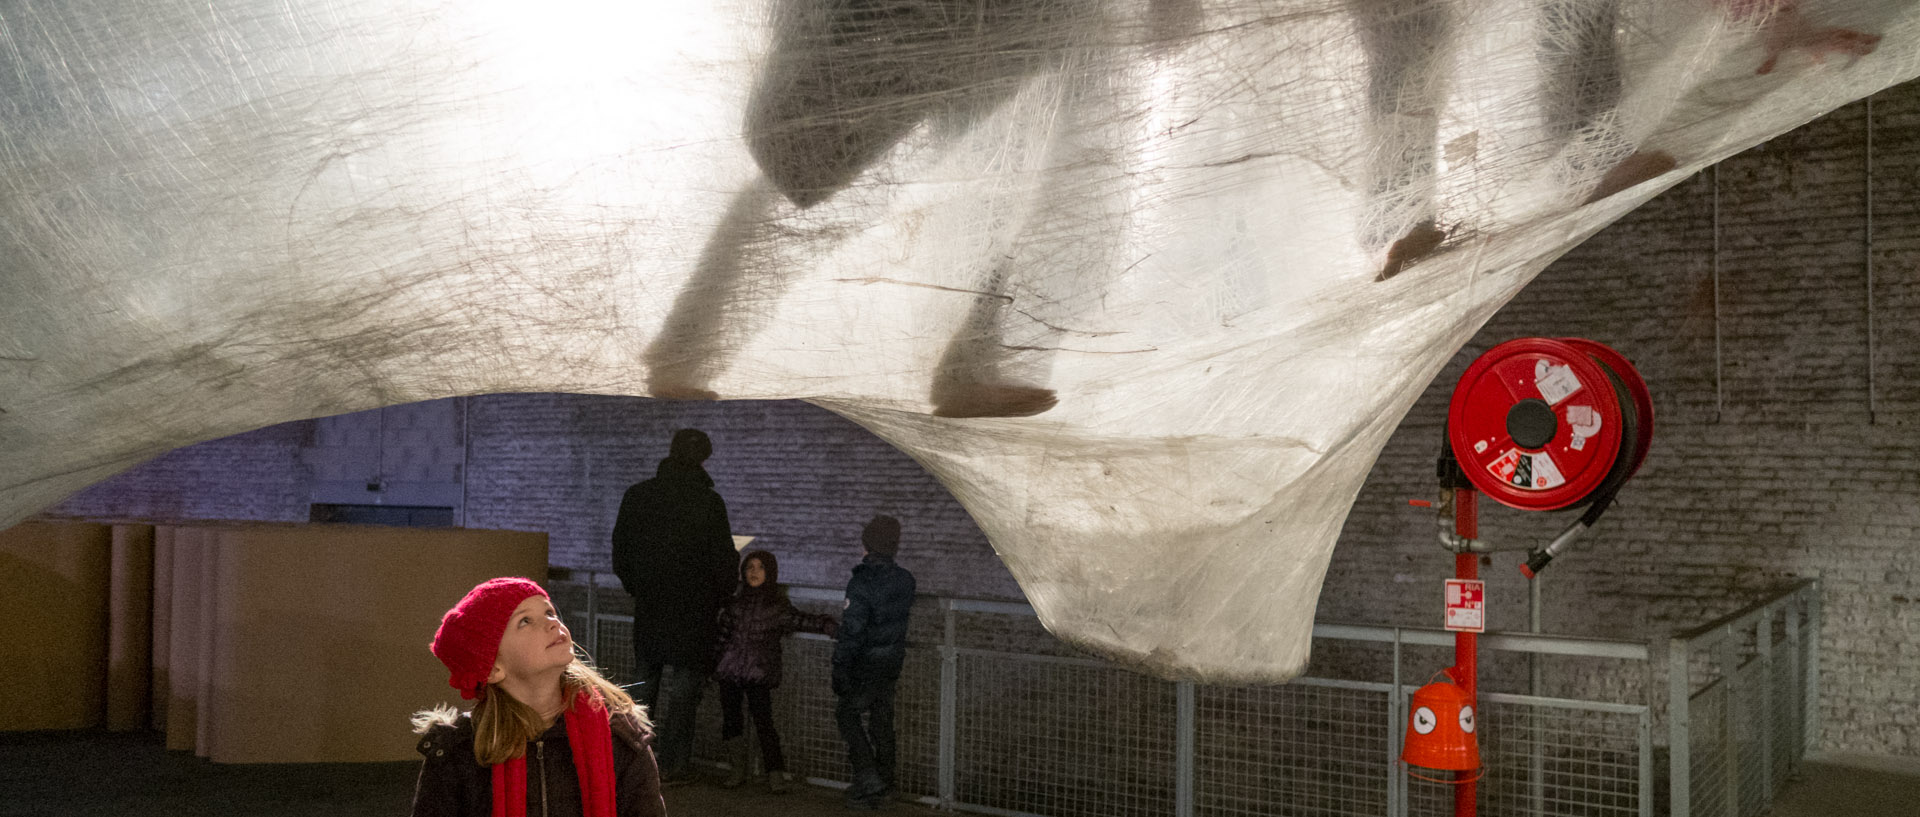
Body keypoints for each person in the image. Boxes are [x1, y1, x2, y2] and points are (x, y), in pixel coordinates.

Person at [411, 577, 665, 817]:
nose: (553, 623)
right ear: (493, 668)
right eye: (525, 621)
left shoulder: (619, 736)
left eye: (549, 613)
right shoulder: (458, 752)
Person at [611, 428, 740, 784]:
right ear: (702, 459)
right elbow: (724, 562)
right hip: (694, 614)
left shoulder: (638, 496)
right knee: (684, 694)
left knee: (642, 689)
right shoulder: (709, 503)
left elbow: (621, 553)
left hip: (652, 609)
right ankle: (671, 766)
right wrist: (717, 596)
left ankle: (634, 761)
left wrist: (640, 587)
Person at [713, 550, 839, 793]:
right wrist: (712, 664)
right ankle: (740, 769)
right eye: (750, 567)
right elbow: (722, 637)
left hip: (757, 673)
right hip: (729, 670)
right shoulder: (735, 604)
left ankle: (773, 772)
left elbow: (801, 620)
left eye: (760, 567)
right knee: (732, 722)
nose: (754, 572)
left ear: (769, 572)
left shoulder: (776, 606)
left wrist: (824, 623)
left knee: (764, 723)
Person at [833, 515, 917, 811]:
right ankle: (885, 782)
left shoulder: (861, 583)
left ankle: (868, 779)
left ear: (867, 544)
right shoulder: (906, 581)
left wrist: (841, 666)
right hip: (890, 664)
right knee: (882, 723)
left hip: (864, 666)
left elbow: (853, 631)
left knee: (847, 714)